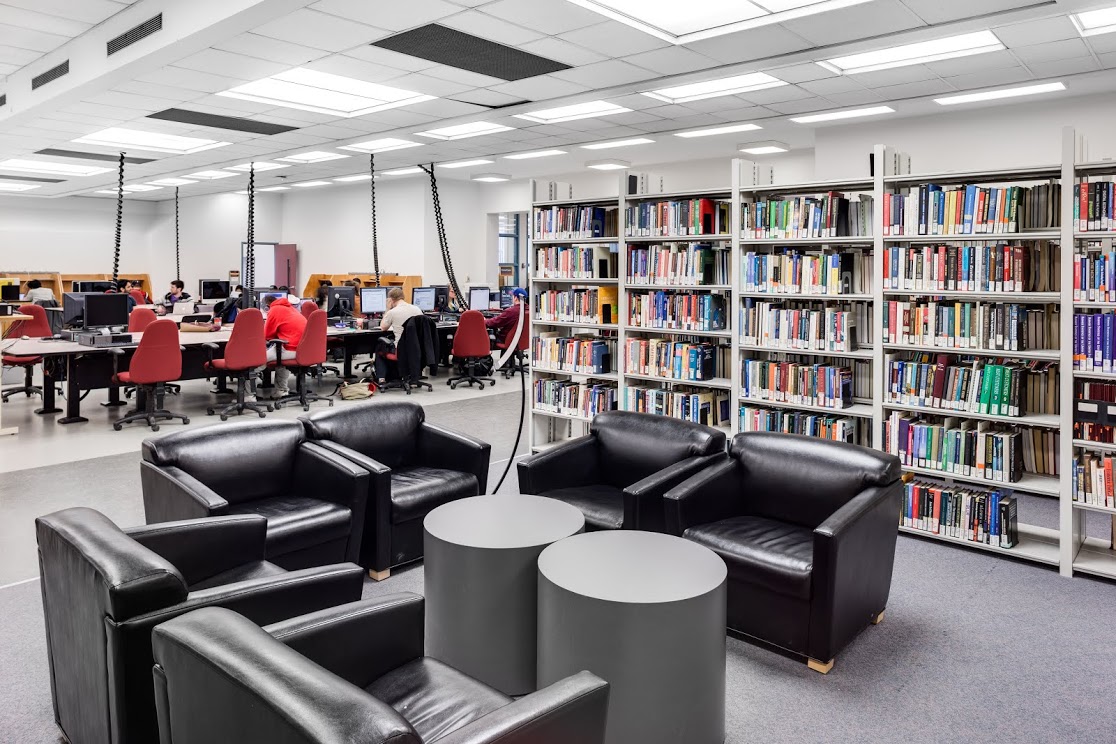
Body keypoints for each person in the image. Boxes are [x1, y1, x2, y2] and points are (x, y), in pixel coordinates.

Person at [373, 287, 422, 383]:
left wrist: (387, 308)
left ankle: (381, 378)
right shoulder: (417, 309)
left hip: (401, 350)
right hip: (417, 348)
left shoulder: (392, 312)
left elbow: (383, 327)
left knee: (380, 346)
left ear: (391, 300)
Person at [262, 294, 306, 399]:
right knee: (279, 357)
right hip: (304, 348)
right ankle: (281, 391)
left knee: (255, 360)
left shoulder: (274, 310)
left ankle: (248, 396)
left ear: (267, 306)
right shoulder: (290, 308)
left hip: (291, 347)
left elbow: (267, 335)